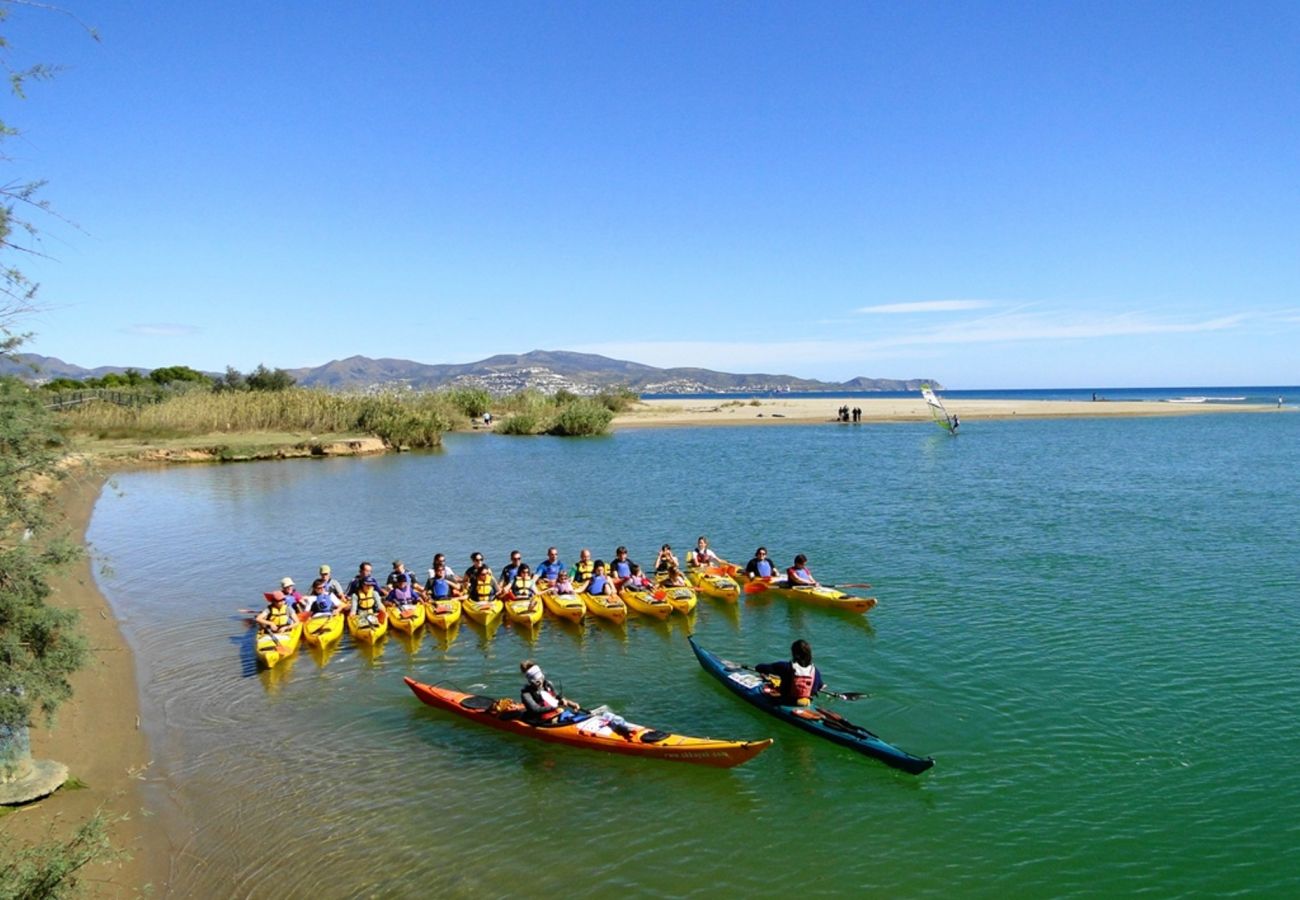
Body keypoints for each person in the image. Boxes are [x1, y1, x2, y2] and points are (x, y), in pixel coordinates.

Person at [755, 639, 825, 707]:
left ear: (794, 653)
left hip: (786, 701)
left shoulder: (785, 666)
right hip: (805, 702)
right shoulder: (815, 671)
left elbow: (759, 667)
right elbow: (819, 687)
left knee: (769, 687)